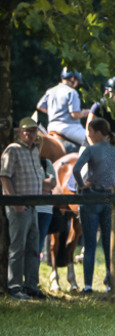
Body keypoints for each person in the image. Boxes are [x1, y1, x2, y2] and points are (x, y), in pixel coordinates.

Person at [72, 118, 115, 293]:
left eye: (90, 133)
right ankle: (111, 283)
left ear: (96, 132)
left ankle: (88, 285)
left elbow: (75, 169)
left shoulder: (91, 149)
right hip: (109, 198)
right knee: (108, 243)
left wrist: (81, 184)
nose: (89, 136)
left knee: (90, 244)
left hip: (91, 198)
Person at [1, 117, 47, 300]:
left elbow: (42, 140)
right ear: (19, 132)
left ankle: (31, 285)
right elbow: (4, 177)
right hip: (18, 207)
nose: (30, 134)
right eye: (26, 131)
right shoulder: (13, 150)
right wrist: (14, 201)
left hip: (33, 205)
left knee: (33, 247)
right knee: (17, 247)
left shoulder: (34, 151)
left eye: (33, 131)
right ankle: (14, 286)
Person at [36, 68, 88, 148]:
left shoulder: (50, 90)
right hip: (69, 128)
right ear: (72, 78)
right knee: (94, 140)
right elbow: (74, 114)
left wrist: (54, 112)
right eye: (77, 81)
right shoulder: (72, 92)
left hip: (51, 127)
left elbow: (39, 106)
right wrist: (85, 113)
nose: (77, 84)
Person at [87, 77, 115, 148]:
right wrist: (95, 150)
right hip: (92, 144)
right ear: (107, 92)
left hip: (111, 146)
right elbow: (88, 132)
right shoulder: (97, 107)